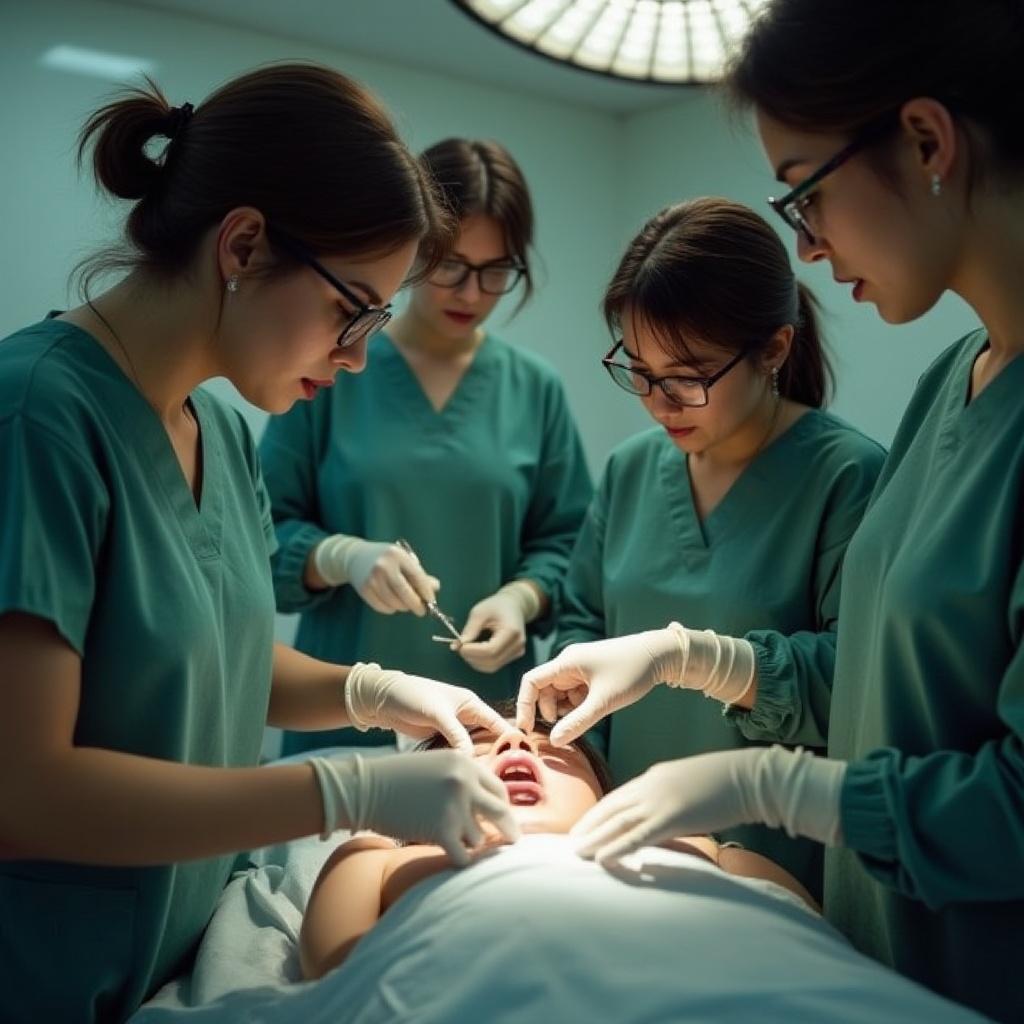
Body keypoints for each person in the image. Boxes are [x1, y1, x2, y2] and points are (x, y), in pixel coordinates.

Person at [518, 3, 1024, 1020]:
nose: (804, 246)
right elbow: (870, 676)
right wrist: (687, 656)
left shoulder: (851, 463)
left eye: (804, 195)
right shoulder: (948, 387)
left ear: (925, 140)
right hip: (867, 953)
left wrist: (775, 791)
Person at [0, 65, 522, 1024]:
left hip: (182, 961)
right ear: (242, 244)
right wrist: (344, 791)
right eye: (353, 309)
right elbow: (24, 794)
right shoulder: (37, 416)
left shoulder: (219, 429)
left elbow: (213, 663)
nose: (362, 353)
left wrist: (377, 693)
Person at [542, 196, 885, 897]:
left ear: (774, 349)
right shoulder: (632, 470)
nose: (659, 403)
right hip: (617, 856)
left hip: (771, 871)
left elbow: (857, 680)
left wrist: (697, 660)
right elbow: (583, 623)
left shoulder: (845, 476)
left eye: (689, 376)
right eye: (639, 371)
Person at [261, 137, 592, 756]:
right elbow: (258, 532)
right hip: (342, 713)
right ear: (412, 252)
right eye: (451, 266)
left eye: (496, 271)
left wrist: (522, 597)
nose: (471, 293)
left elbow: (571, 543)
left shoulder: (533, 388)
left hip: (488, 730)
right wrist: (338, 556)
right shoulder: (330, 368)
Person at [299, 704, 818, 980]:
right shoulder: (385, 858)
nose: (516, 740)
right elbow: (335, 977)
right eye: (475, 746)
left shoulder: (698, 846)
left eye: (558, 750)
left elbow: (808, 944)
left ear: (604, 794)